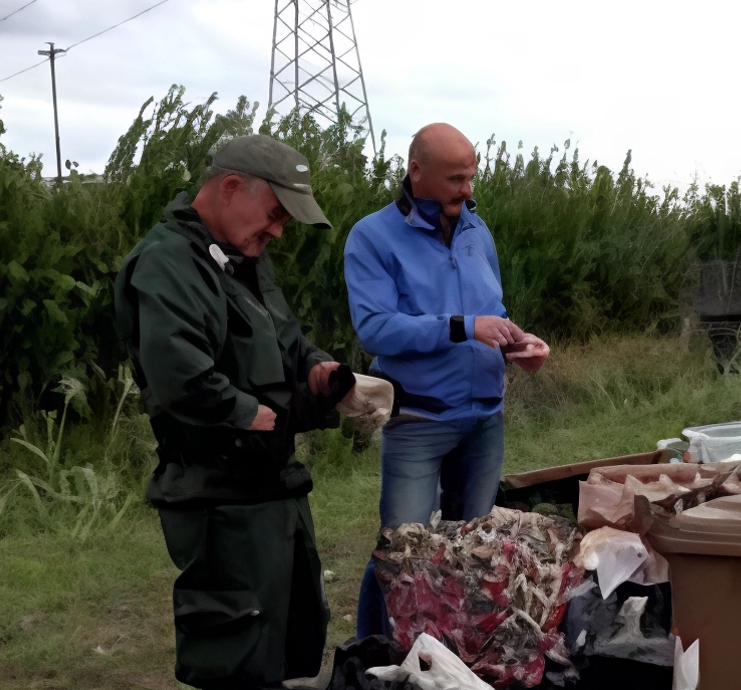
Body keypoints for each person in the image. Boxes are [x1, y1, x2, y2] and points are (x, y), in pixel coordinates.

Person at [114, 135, 376, 690]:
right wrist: (248, 414)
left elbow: (286, 340)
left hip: (273, 490)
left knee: (289, 644)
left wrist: (317, 370)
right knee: (235, 653)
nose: (278, 230)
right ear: (231, 187)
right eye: (276, 213)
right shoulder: (166, 262)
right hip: (218, 497)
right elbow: (179, 375)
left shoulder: (243, 257)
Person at [344, 123, 550, 637]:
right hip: (419, 419)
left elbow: (491, 311)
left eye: (472, 176)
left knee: (471, 550)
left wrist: (518, 344)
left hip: (484, 418)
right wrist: (462, 328)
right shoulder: (372, 236)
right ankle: (373, 651)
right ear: (417, 172)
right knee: (403, 549)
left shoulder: (479, 232)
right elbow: (376, 329)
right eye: (456, 178)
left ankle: (454, 648)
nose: (468, 189)